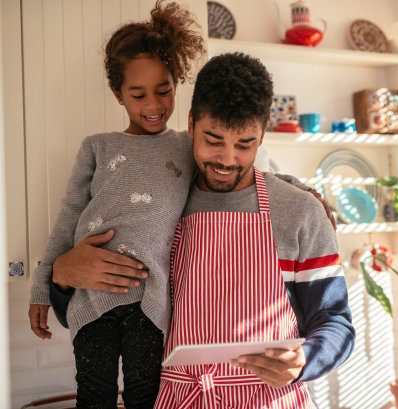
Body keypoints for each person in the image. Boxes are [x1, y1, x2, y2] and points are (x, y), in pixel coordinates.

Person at [26, 2, 326, 408]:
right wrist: (52, 279)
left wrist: (303, 191)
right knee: (95, 391)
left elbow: (258, 172)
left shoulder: (199, 154)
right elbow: (66, 224)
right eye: (138, 93)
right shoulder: (120, 153)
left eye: (163, 90)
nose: (226, 159)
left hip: (189, 335)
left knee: (139, 393)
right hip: (128, 337)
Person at [153, 52, 355, 409]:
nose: (227, 160)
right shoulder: (162, 203)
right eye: (213, 140)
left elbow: (335, 321)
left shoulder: (301, 211)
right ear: (190, 124)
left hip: (272, 398)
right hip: (185, 397)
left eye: (244, 144)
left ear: (263, 135)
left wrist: (305, 360)